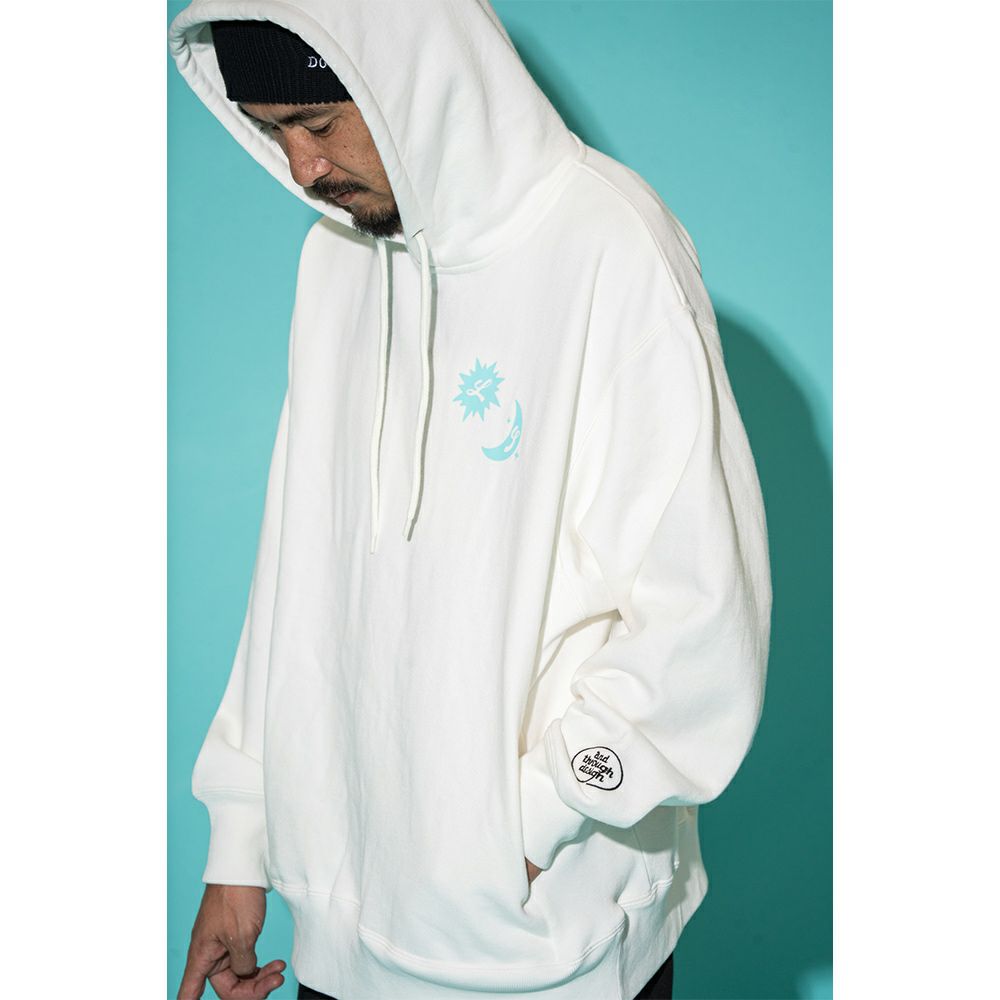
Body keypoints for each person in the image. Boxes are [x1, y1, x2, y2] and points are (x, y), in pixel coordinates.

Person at [169, 3, 772, 999]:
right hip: (340, 944)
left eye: (317, 121)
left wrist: (524, 823)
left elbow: (702, 614)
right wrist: (241, 842)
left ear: (412, 73)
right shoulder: (335, 258)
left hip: (546, 949)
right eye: (273, 130)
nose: (303, 166)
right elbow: (293, 566)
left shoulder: (611, 247)